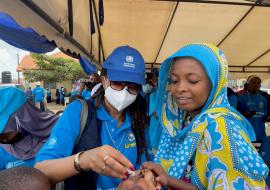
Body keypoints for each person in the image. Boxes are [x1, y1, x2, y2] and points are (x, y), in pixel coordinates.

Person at [141, 43, 268, 189]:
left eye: (192, 80)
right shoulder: (181, 120)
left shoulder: (222, 129)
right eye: (174, 81)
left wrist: (168, 180)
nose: (180, 88)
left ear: (214, 83)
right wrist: (162, 177)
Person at [35, 45, 152, 190]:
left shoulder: (139, 119)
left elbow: (147, 162)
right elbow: (41, 170)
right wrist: (84, 160)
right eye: (117, 83)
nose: (125, 92)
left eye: (132, 86)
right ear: (104, 80)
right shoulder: (78, 112)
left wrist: (146, 176)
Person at [0, 87, 58, 170]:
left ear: (22, 118)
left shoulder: (59, 131)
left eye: (4, 134)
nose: (3, 141)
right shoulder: (3, 151)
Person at [237, 75, 268, 141]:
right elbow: (236, 116)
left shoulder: (264, 99)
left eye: (258, 83)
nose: (256, 85)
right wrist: (245, 115)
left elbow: (265, 116)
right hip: (247, 135)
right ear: (248, 84)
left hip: (261, 135)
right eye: (253, 82)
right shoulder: (242, 98)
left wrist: (267, 118)